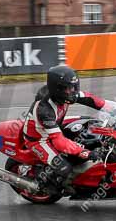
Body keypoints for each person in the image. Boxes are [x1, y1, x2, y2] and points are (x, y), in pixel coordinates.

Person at [22, 65, 106, 195]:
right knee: (64, 167)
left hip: (55, 126)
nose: (73, 91)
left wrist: (110, 107)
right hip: (39, 139)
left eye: (74, 87)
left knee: (91, 124)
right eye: (68, 88)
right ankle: (46, 185)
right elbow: (59, 141)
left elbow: (89, 98)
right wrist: (84, 152)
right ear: (58, 89)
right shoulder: (45, 109)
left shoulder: (64, 95)